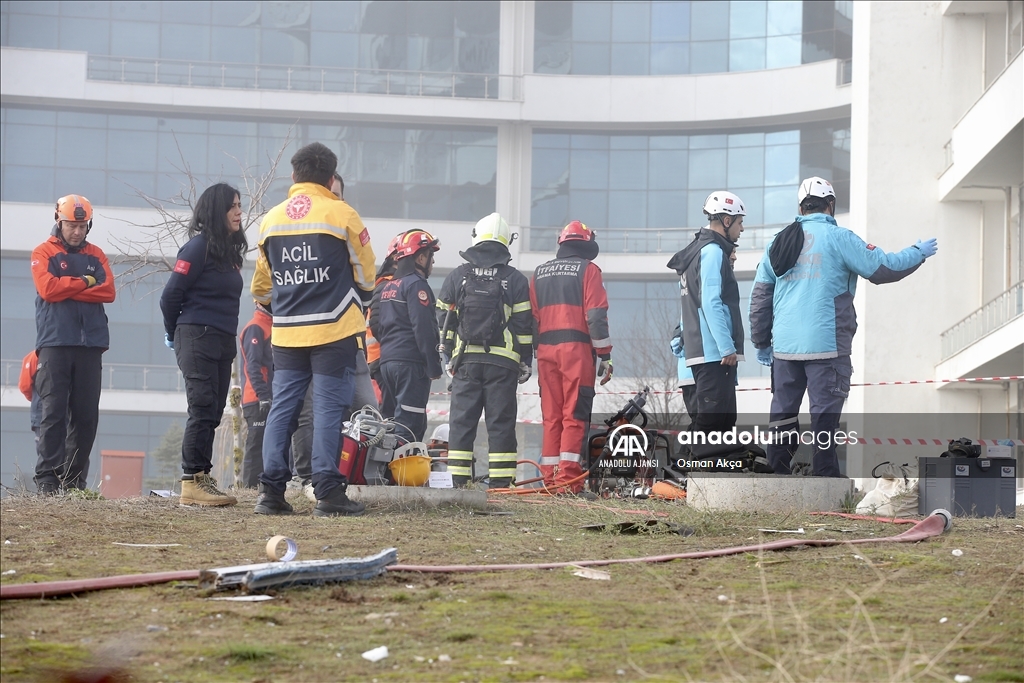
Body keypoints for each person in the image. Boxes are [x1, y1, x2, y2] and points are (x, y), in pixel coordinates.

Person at [749, 176, 938, 477]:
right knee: (824, 416)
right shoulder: (839, 239)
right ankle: (825, 477)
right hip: (826, 345)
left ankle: (776, 472)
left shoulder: (778, 242)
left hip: (785, 348)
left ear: (800, 206)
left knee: (782, 413)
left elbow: (760, 295)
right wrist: (918, 252)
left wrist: (761, 341)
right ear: (831, 205)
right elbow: (883, 268)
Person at [251, 142, 376, 517]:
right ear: (330, 178)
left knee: (283, 408)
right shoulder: (343, 214)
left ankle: (270, 493)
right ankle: (328, 492)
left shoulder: (270, 220)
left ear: (294, 176)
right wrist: (360, 302)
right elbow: (367, 274)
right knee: (327, 408)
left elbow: (261, 287)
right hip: (334, 331)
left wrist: (285, 307)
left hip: (287, 333)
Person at [160, 183, 245, 506]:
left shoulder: (228, 253)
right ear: (215, 211)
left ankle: (203, 477)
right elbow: (171, 296)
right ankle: (191, 480)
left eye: (240, 205)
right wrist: (174, 332)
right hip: (196, 335)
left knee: (213, 411)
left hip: (222, 339)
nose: (239, 212)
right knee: (201, 406)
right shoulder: (198, 248)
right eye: (232, 206)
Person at [436, 213, 533, 488]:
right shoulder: (515, 279)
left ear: (476, 237)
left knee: (462, 422)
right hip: (503, 364)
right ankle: (501, 485)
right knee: (500, 423)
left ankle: (457, 482)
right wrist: (525, 360)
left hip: (465, 362)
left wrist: (449, 355)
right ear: (505, 242)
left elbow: (443, 318)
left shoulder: (458, 276)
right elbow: (524, 326)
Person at [31, 194, 116, 494]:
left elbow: (108, 291)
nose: (77, 231)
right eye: (71, 225)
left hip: (91, 344)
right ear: (58, 220)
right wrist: (86, 281)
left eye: (82, 225)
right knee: (52, 412)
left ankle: (74, 481)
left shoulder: (97, 254)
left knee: (86, 415)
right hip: (55, 342)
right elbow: (48, 289)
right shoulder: (42, 252)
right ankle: (47, 481)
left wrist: (69, 284)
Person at [530, 220, 612, 495]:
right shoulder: (589, 270)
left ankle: (551, 481)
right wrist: (605, 355)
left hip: (545, 352)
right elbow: (596, 316)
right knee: (575, 415)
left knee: (552, 417)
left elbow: (532, 319)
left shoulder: (539, 274)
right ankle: (569, 481)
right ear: (586, 245)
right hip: (576, 352)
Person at [666, 191, 746, 456]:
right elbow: (711, 302)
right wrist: (727, 348)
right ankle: (680, 473)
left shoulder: (697, 254)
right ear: (725, 220)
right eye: (738, 222)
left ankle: (709, 482)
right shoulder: (711, 253)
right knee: (712, 425)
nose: (741, 228)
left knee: (721, 425)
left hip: (705, 354)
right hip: (714, 355)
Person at [375, 229, 442, 442]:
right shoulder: (416, 285)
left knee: (390, 424)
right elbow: (424, 329)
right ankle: (402, 475)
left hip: (387, 364)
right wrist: (433, 366)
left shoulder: (388, 287)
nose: (433, 263)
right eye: (431, 256)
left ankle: (384, 473)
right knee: (409, 427)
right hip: (410, 365)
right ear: (421, 257)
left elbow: (379, 326)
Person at [366, 232, 406, 406]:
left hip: (380, 358)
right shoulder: (387, 286)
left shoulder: (385, 284)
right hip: (382, 358)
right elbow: (376, 324)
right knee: (389, 415)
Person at [239, 301, 274, 489]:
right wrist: (263, 395)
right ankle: (249, 488)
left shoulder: (270, 326)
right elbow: (253, 365)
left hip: (266, 396)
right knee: (255, 444)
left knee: (265, 444)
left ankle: (261, 486)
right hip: (256, 398)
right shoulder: (256, 327)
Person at [19, 350, 42, 440]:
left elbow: (25, 386)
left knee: (44, 445)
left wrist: (36, 399)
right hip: (69, 410)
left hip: (42, 410)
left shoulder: (34, 356)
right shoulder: (74, 354)